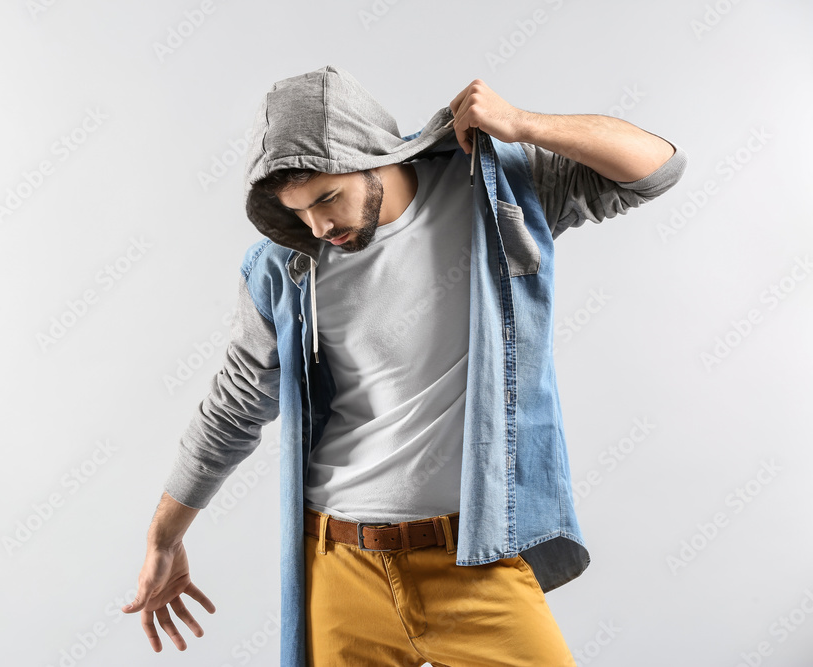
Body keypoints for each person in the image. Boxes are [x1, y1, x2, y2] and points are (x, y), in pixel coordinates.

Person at [122, 64, 687, 666]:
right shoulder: (283, 267)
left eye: (326, 199)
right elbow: (234, 408)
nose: (318, 226)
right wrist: (164, 538)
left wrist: (523, 124)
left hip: (473, 559)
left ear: (374, 155)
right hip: (340, 566)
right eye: (298, 212)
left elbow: (656, 169)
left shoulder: (494, 197)